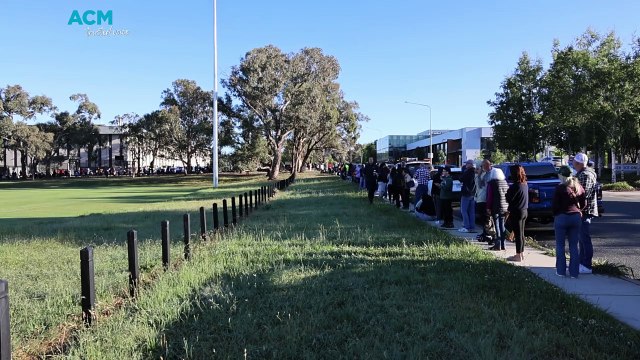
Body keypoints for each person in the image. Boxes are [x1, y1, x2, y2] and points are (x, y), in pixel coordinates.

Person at [552, 165, 586, 278]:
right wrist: (579, 210)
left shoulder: (560, 188)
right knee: (573, 246)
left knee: (560, 245)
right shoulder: (579, 187)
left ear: (561, 175)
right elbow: (584, 203)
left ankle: (561, 271)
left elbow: (555, 205)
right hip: (576, 217)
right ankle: (574, 273)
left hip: (562, 217)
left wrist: (556, 214)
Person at [573, 153, 598, 274]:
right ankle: (581, 262)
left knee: (584, 238)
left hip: (584, 211)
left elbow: (583, 194)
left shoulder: (585, 175)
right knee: (581, 239)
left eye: (574, 162)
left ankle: (587, 265)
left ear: (578, 163)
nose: (573, 163)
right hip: (582, 210)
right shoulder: (583, 173)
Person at [506, 164, 529, 262]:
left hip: (516, 212)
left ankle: (518, 255)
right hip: (524, 211)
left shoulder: (515, 186)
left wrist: (507, 193)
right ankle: (521, 253)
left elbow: (509, 198)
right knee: (521, 233)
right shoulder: (524, 185)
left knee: (518, 234)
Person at [486, 167, 509, 251]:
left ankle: (498, 244)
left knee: (497, 226)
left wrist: (488, 207)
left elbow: (489, 197)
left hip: (495, 206)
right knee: (502, 225)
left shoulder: (492, 183)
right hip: (505, 206)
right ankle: (503, 244)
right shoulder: (505, 182)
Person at [475, 160, 492, 242]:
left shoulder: (487, 175)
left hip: (485, 200)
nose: (477, 170)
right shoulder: (478, 176)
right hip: (479, 199)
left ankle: (487, 234)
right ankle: (485, 233)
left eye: (479, 168)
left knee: (486, 219)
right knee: (482, 219)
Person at [459, 159, 476, 233]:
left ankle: (466, 226)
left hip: (466, 193)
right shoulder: (475, 172)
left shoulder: (468, 172)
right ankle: (472, 226)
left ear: (470, 164)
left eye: (467, 164)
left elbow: (461, 179)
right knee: (471, 211)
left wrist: (463, 171)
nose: (466, 165)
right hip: (472, 194)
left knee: (464, 211)